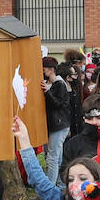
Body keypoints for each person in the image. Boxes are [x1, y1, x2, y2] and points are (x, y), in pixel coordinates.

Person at [41, 56, 72, 187]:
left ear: (51, 70)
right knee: (56, 157)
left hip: (59, 125)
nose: (42, 72)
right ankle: (60, 184)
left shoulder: (59, 84)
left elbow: (58, 104)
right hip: (59, 125)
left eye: (44, 69)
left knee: (52, 158)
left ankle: (49, 188)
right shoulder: (55, 84)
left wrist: (47, 92)